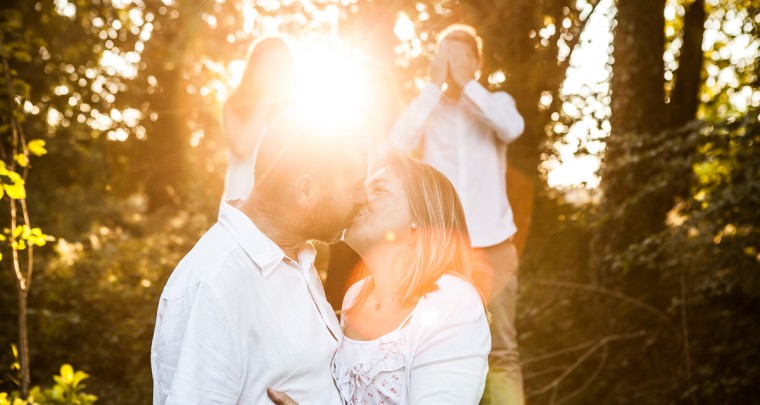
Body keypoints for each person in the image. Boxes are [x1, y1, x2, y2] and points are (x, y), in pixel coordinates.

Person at [151, 112, 368, 404]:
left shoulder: (293, 257)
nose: (363, 197)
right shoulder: (216, 284)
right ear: (306, 191)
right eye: (355, 186)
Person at [269, 153, 490, 404]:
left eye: (380, 189)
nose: (360, 197)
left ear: (419, 216)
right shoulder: (355, 297)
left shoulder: (452, 302)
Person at [389, 24, 526, 404]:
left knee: (502, 351)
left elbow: (512, 128)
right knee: (433, 346)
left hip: (494, 249)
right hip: (441, 251)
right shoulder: (427, 110)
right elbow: (398, 143)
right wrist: (433, 88)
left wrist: (468, 85)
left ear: (476, 62)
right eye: (444, 56)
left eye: (460, 56)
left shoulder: (496, 103)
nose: (451, 65)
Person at [222, 37, 294, 201]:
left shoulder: (293, 110)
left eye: (280, 66)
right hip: (241, 202)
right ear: (254, 68)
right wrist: (265, 99)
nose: (275, 73)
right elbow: (242, 147)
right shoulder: (233, 106)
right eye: (269, 65)